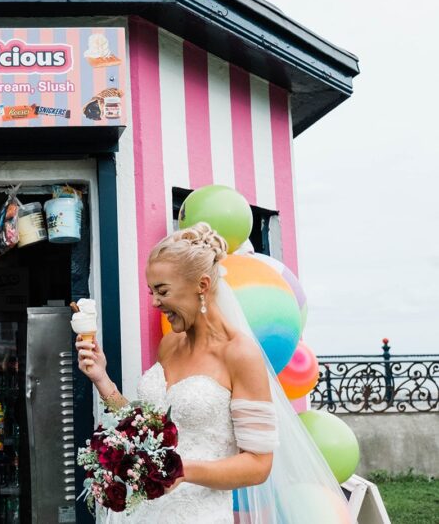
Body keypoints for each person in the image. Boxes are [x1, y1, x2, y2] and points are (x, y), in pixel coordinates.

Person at [76, 222, 346, 523]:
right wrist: (102, 378)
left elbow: (258, 465)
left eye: (162, 291)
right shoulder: (169, 345)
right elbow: (147, 430)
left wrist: (182, 470)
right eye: (151, 291)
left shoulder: (239, 354)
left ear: (202, 286)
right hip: (141, 513)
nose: (154, 302)